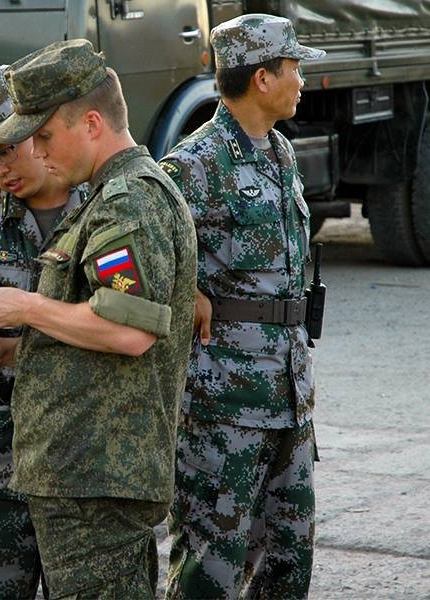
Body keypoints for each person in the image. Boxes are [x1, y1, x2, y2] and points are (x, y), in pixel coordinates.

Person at [0, 40, 197, 598]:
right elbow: (97, 335)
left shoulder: (126, 202)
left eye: (42, 136)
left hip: (96, 474)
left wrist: (24, 305)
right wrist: (13, 350)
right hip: (84, 470)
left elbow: (130, 332)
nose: (36, 151)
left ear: (89, 123)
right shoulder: (111, 196)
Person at [158, 14, 324, 599]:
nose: (301, 79)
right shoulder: (193, 164)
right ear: (261, 78)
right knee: (212, 565)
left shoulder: (280, 151)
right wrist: (186, 289)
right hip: (221, 403)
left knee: (288, 558)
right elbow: (130, 261)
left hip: (287, 393)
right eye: (294, 67)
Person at [0, 65, 85, 599]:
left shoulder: (101, 201)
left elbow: (114, 328)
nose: (0, 170)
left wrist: (12, 348)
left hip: (84, 441)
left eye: (8, 150)